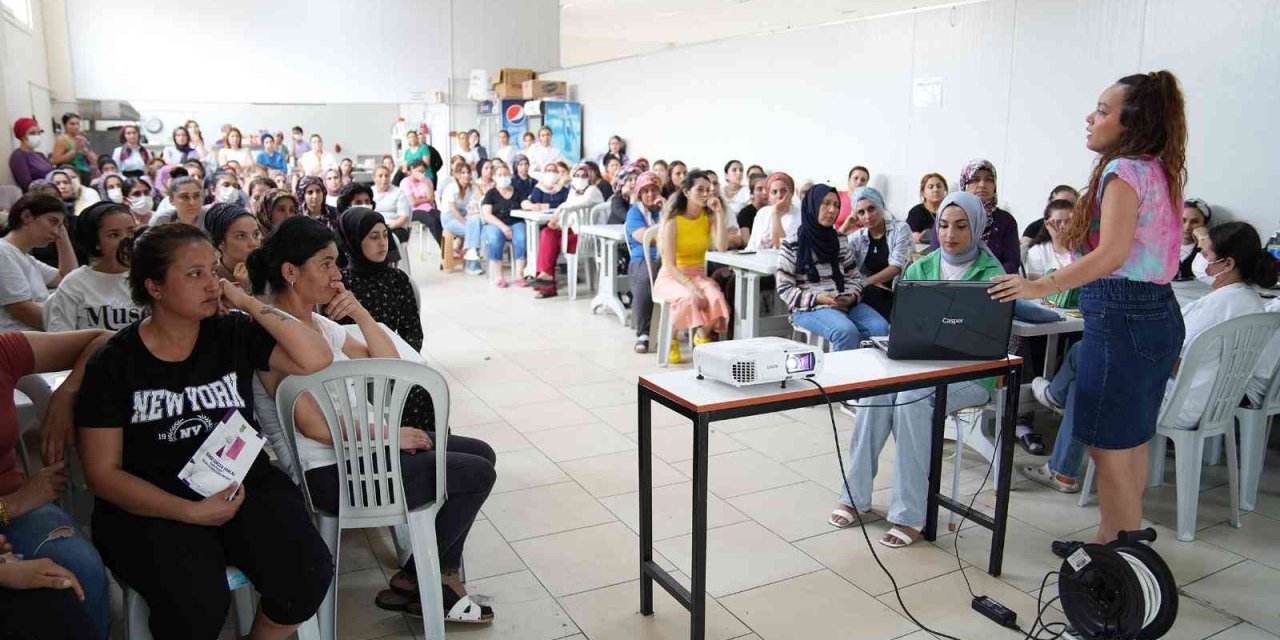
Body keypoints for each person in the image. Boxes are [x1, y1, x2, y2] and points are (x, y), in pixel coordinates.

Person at [74, 222, 334, 639]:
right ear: (155, 288)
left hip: (238, 481)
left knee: (306, 572)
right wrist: (189, 511)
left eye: (214, 271)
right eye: (195, 274)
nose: (212, 283)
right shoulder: (115, 363)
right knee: (197, 602)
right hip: (152, 503)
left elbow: (315, 356)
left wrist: (245, 301)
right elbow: (102, 474)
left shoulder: (231, 333)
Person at [250, 216, 495, 623]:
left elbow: (387, 363)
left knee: (480, 454)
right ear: (291, 272)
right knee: (473, 474)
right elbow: (314, 425)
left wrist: (360, 313)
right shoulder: (271, 333)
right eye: (326, 264)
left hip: (362, 452)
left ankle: (421, 578)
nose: (336, 274)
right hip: (334, 471)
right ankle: (434, 582)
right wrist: (388, 437)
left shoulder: (317, 323)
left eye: (336, 263)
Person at [989, 71, 1189, 544]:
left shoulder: (1123, 173)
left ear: (1130, 123)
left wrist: (1039, 285)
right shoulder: (1160, 168)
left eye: (1102, 111)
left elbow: (1112, 254)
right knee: (1131, 439)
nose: (1090, 117)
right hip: (1158, 312)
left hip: (1122, 315)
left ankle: (1117, 556)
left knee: (1105, 445)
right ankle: (1118, 538)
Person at [1021, 221, 1279, 495]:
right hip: (1213, 402)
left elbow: (1172, 357)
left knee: (1088, 364)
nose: (1200, 261)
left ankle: (1057, 424)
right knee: (1089, 362)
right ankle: (1060, 461)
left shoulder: (1218, 305)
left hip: (1175, 399)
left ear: (1227, 264)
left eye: (1206, 255)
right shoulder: (1251, 302)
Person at [831, 192, 1004, 546]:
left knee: (911, 396)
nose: (950, 234)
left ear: (977, 228)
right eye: (943, 225)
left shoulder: (992, 273)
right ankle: (854, 495)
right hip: (920, 365)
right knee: (878, 391)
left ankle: (910, 514)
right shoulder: (921, 267)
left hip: (970, 375)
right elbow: (906, 326)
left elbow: (991, 335)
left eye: (960, 226)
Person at [1, 329, 113, 639]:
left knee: (79, 569)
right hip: (15, 503)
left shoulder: (4, 349)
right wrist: (12, 505)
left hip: (18, 507)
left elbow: (106, 340)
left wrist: (66, 394)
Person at [778, 183, 884, 353]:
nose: (832, 210)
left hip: (843, 301)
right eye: (825, 203)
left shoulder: (840, 239)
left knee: (881, 329)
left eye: (836, 205)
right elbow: (784, 288)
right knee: (845, 332)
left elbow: (853, 277)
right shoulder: (792, 243)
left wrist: (850, 297)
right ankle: (844, 379)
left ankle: (873, 378)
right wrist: (818, 298)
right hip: (808, 307)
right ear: (812, 205)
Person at [652, 170, 729, 364]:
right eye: (700, 190)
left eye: (708, 190)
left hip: (698, 276)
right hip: (672, 276)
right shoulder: (673, 221)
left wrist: (719, 213)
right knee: (687, 297)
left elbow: (722, 247)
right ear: (686, 192)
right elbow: (669, 265)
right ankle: (671, 339)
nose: (706, 194)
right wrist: (692, 288)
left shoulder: (707, 217)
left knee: (716, 297)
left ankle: (701, 335)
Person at [43, 203, 143, 332]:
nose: (126, 240)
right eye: (114, 235)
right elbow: (59, 339)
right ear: (96, 242)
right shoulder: (76, 283)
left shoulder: (149, 276)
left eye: (131, 232)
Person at [0, 195, 78, 331]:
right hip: (18, 341)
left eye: (60, 226)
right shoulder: (3, 252)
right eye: (52, 222)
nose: (56, 232)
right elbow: (21, 309)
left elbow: (67, 278)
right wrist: (71, 326)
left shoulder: (27, 259)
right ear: (26, 216)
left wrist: (62, 237)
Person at [930, 160, 1021, 274]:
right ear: (964, 184)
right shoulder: (947, 216)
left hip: (994, 284)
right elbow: (936, 256)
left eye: (988, 179)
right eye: (975, 179)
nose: (982, 185)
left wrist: (990, 280)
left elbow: (1012, 262)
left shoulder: (1005, 220)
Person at [840, 186, 911, 322]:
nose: (867, 216)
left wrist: (865, 282)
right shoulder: (858, 237)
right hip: (870, 292)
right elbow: (835, 255)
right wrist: (845, 227)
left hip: (898, 292)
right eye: (861, 212)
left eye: (871, 208)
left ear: (880, 206)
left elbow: (896, 267)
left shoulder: (900, 228)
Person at [532, 163, 604, 297]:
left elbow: (580, 203)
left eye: (584, 175)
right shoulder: (572, 191)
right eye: (577, 175)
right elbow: (571, 217)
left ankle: (547, 284)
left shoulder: (593, 191)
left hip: (588, 237)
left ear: (589, 177)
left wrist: (560, 208)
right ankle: (546, 275)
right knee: (547, 232)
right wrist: (558, 224)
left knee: (554, 243)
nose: (580, 178)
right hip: (572, 231)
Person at [624, 172, 664, 353]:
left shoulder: (667, 210)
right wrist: (666, 234)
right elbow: (646, 238)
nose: (650, 194)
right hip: (643, 258)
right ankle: (644, 333)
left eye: (654, 190)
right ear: (639, 194)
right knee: (646, 276)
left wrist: (666, 210)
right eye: (645, 190)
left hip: (668, 257)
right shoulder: (634, 213)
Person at [478, 163, 529, 287]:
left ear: (510, 175)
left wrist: (533, 206)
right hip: (494, 223)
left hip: (515, 222)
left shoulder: (517, 191)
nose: (503, 177)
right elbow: (487, 215)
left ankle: (519, 275)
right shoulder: (491, 194)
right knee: (495, 238)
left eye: (505, 174)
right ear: (494, 177)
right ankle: (499, 277)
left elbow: (524, 203)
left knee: (522, 238)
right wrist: (504, 227)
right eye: (499, 175)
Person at [202, 203, 261, 291]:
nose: (253, 243)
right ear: (220, 243)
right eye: (241, 236)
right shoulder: (210, 280)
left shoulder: (268, 271)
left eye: (256, 234)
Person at [440, 162, 485, 275]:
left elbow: (482, 201)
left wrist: (475, 185)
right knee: (473, 229)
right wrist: (466, 224)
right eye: (462, 173)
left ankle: (471, 258)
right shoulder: (451, 188)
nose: (466, 175)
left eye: (468, 172)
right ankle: (472, 264)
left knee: (476, 222)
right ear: (456, 174)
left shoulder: (470, 187)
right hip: (449, 218)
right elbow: (454, 211)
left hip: (463, 215)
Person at [1024, 199, 1077, 279]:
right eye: (1057, 222)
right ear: (1046, 224)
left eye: (1068, 222)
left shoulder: (1084, 248)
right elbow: (1035, 285)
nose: (1063, 226)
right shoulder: (1037, 251)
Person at [745, 172, 798, 250]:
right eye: (774, 192)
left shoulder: (799, 215)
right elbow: (752, 245)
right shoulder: (762, 213)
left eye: (783, 191)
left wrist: (776, 213)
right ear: (769, 196)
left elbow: (783, 248)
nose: (779, 196)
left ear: (791, 193)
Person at [370, 165, 412, 243]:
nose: (384, 179)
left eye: (386, 176)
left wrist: (387, 228)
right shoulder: (369, 192)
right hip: (373, 227)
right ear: (374, 178)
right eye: (380, 176)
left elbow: (403, 218)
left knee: (386, 240)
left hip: (395, 227)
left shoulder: (399, 193)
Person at [51, 113, 97, 183]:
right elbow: (55, 160)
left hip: (85, 174)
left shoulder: (82, 139)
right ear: (65, 125)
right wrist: (74, 151)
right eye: (72, 124)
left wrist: (86, 150)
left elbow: (94, 161)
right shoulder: (62, 139)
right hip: (70, 176)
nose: (76, 127)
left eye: (77, 124)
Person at [9, 117, 53, 191]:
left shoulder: (40, 155)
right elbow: (27, 185)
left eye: (39, 133)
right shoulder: (18, 156)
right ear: (22, 136)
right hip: (38, 196)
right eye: (32, 133)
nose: (37, 136)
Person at [1175, 198, 1212, 281]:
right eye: (1183, 220)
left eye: (1194, 221)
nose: (1187, 227)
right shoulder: (1163, 245)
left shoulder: (1208, 247)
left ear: (1204, 224)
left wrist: (1204, 237)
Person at [905, 173, 948, 244]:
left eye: (939, 186)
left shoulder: (951, 210)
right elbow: (908, 236)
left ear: (945, 190)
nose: (935, 189)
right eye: (931, 187)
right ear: (923, 192)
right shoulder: (916, 212)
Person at [835, 165, 871, 231]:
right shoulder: (836, 196)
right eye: (856, 178)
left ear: (866, 184)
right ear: (849, 180)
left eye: (863, 180)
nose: (859, 182)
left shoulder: (870, 202)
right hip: (839, 238)